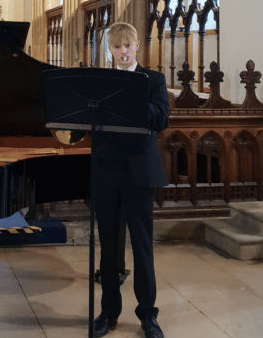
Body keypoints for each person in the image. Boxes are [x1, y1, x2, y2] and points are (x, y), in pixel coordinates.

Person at [91, 22, 169, 338]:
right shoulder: (101, 83)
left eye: (127, 46)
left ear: (136, 46)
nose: (123, 52)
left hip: (139, 171)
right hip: (106, 168)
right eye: (117, 47)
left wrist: (130, 98)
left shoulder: (153, 80)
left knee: (141, 245)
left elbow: (161, 120)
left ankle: (148, 315)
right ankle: (108, 312)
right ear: (110, 51)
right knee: (109, 246)